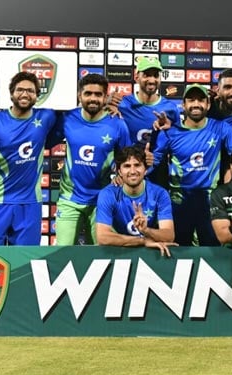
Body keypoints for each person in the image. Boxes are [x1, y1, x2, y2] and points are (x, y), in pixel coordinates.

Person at [0, 72, 58, 245]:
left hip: (30, 203)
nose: (25, 94)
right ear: (11, 94)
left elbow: (81, 117)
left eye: (30, 91)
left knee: (25, 262)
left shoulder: (46, 117)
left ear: (37, 96)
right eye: (20, 90)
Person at [152, 83, 232, 247]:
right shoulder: (170, 132)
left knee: (213, 254)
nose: (196, 104)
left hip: (210, 203)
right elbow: (152, 163)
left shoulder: (220, 127)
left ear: (208, 104)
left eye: (201, 100)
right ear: (183, 105)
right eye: (191, 100)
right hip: (179, 203)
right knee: (179, 255)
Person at [53, 73, 131, 245]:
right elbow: (42, 141)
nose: (93, 98)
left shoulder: (117, 124)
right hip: (69, 200)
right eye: (88, 94)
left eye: (98, 94)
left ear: (105, 97)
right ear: (79, 96)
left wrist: (122, 176)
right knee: (61, 254)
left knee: (101, 255)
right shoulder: (68, 119)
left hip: (101, 200)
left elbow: (127, 159)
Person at [95, 146, 176, 256]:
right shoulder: (108, 194)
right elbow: (103, 237)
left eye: (137, 165)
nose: (132, 171)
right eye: (127, 166)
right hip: (119, 252)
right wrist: (142, 241)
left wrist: (146, 230)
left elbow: (169, 235)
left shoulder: (160, 194)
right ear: (119, 171)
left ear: (145, 169)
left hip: (151, 252)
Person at [114, 57, 180, 187]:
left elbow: (177, 142)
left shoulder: (171, 108)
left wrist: (170, 128)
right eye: (146, 75)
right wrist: (106, 106)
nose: (152, 80)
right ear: (136, 76)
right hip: (128, 172)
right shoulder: (122, 105)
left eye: (155, 75)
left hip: (159, 174)